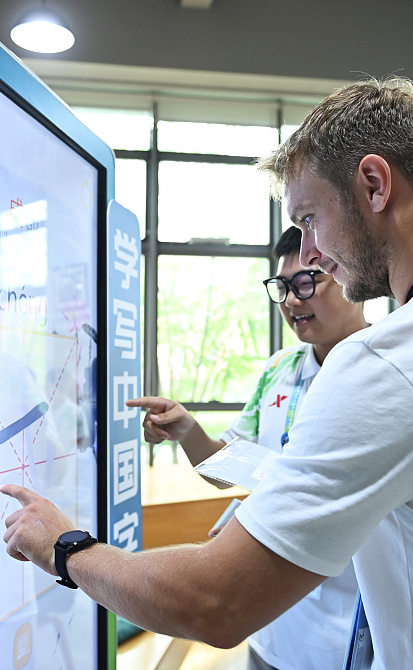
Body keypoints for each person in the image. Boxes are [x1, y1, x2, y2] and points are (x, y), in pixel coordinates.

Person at [1, 77, 413, 670]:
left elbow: (217, 602)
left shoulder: (392, 363)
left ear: (374, 184)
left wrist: (65, 546)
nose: (310, 254)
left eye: (309, 219)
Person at [128, 225, 368, 670]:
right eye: (283, 287)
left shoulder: (381, 371)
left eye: (306, 282)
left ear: (347, 273)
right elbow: (226, 468)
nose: (293, 300)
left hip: (346, 629)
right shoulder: (280, 369)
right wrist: (188, 432)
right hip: (269, 628)